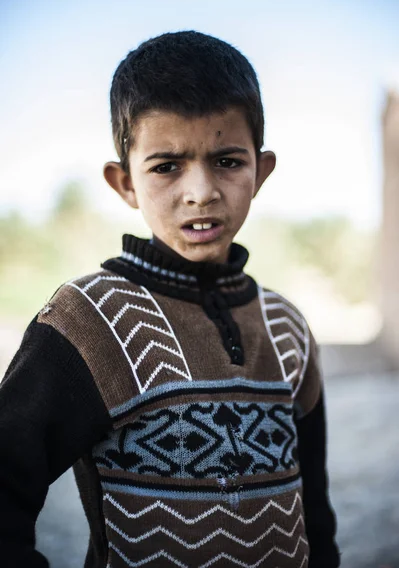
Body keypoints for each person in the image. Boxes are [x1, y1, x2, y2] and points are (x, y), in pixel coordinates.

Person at [0, 30, 340, 568]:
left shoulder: (287, 326)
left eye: (228, 161)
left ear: (262, 170)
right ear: (125, 184)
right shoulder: (89, 321)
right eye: (166, 166)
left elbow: (314, 511)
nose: (201, 191)